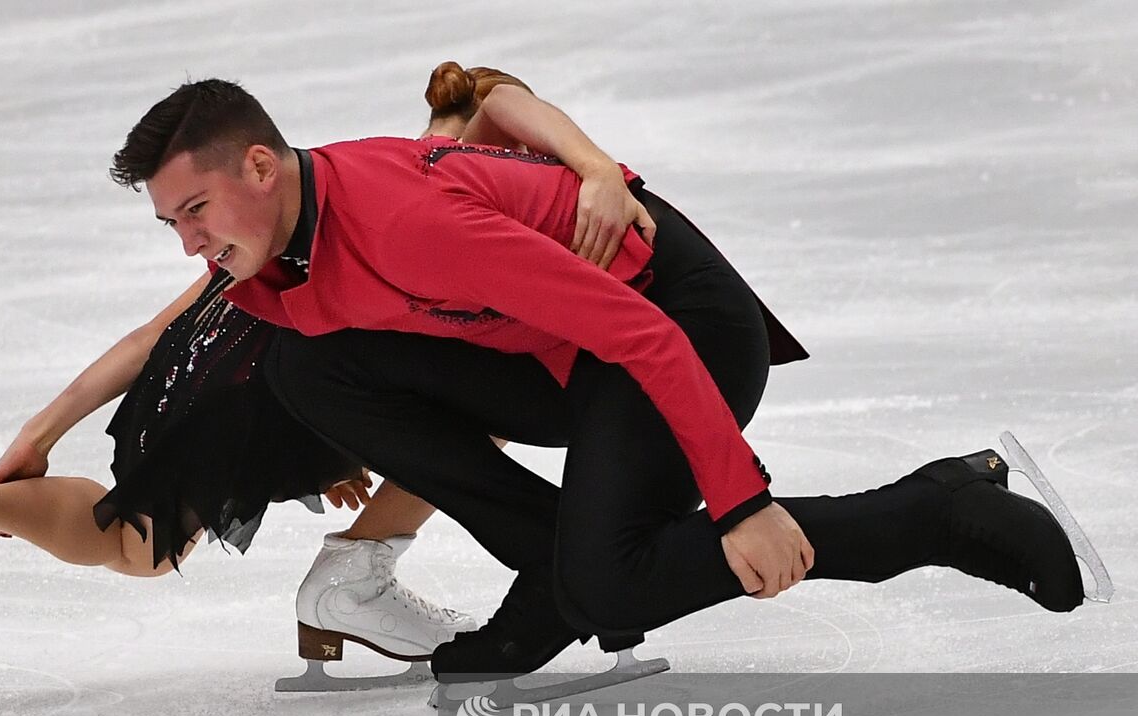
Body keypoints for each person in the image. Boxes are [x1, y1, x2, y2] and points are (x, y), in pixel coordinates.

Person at [106, 77, 1085, 682]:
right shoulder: (284, 249)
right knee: (308, 368)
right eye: (171, 225)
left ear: (263, 168)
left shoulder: (405, 225)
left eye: (197, 210)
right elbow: (178, 336)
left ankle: (932, 507)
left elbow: (639, 331)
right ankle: (556, 573)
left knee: (615, 580)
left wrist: (740, 500)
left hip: (676, 328)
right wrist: (39, 437)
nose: (189, 241)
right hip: (559, 356)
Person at [0, 65, 715, 676]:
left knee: (465, 387)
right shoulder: (387, 220)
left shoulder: (328, 210)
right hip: (274, 386)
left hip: (215, 372)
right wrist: (593, 166)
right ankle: (353, 574)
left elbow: (156, 333)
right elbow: (505, 104)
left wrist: (40, 429)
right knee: (134, 546)